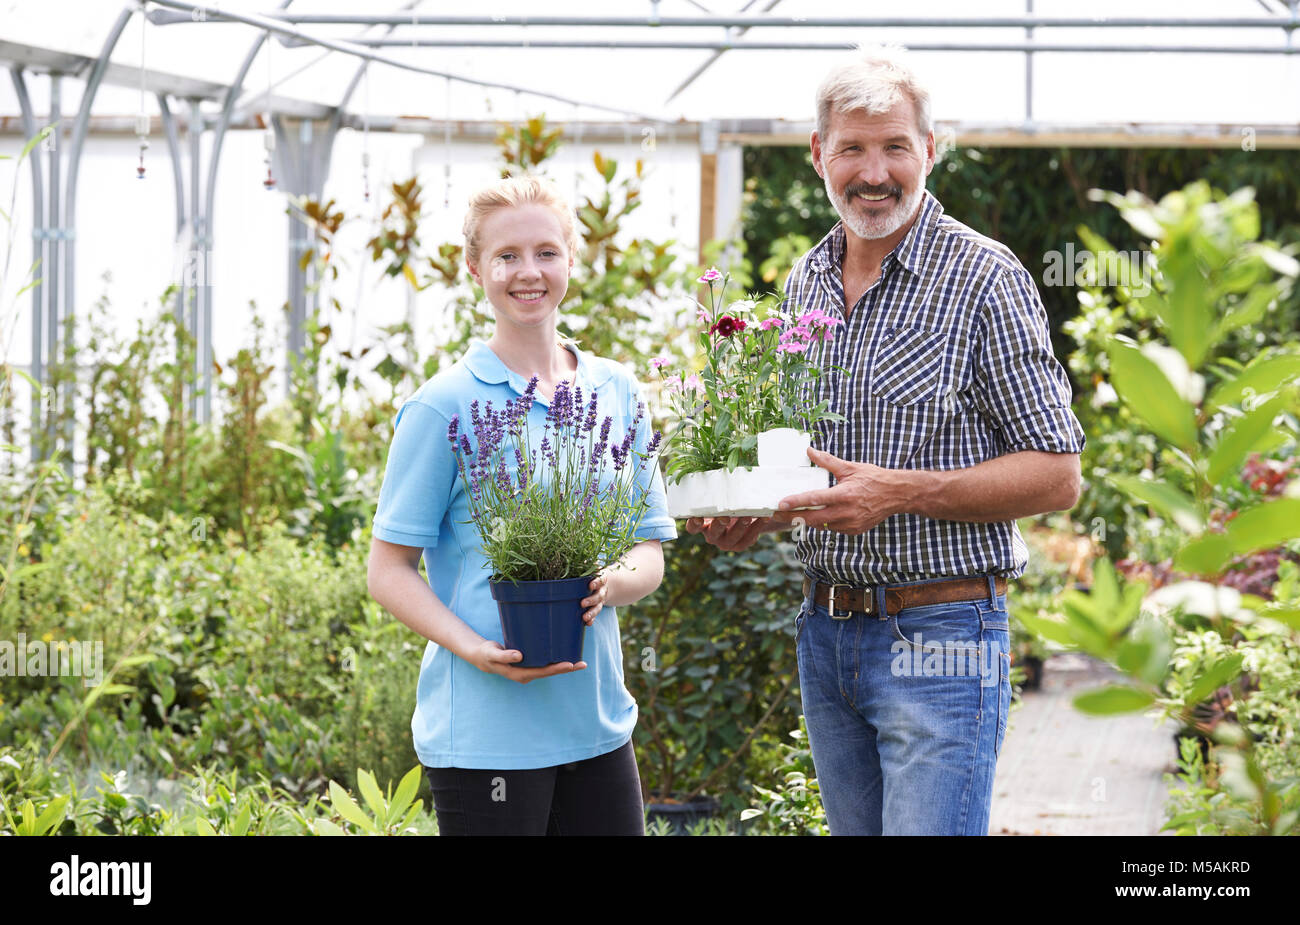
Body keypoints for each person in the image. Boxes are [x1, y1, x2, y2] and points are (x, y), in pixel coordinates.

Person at [686, 45, 1086, 836]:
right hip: (827, 634)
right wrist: (763, 513)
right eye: (853, 149)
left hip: (940, 638)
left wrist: (903, 492)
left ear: (929, 150)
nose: (875, 172)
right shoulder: (806, 283)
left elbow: (1058, 474)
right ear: (818, 156)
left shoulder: (984, 278)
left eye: (896, 146)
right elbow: (815, 463)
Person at [367, 174, 676, 835]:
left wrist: (610, 582)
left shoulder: (616, 390)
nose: (527, 272)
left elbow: (649, 547)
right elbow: (387, 569)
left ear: (570, 258)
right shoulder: (442, 404)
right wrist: (474, 646)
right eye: (506, 256)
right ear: (474, 266)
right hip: (486, 738)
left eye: (545, 252)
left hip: (597, 728)